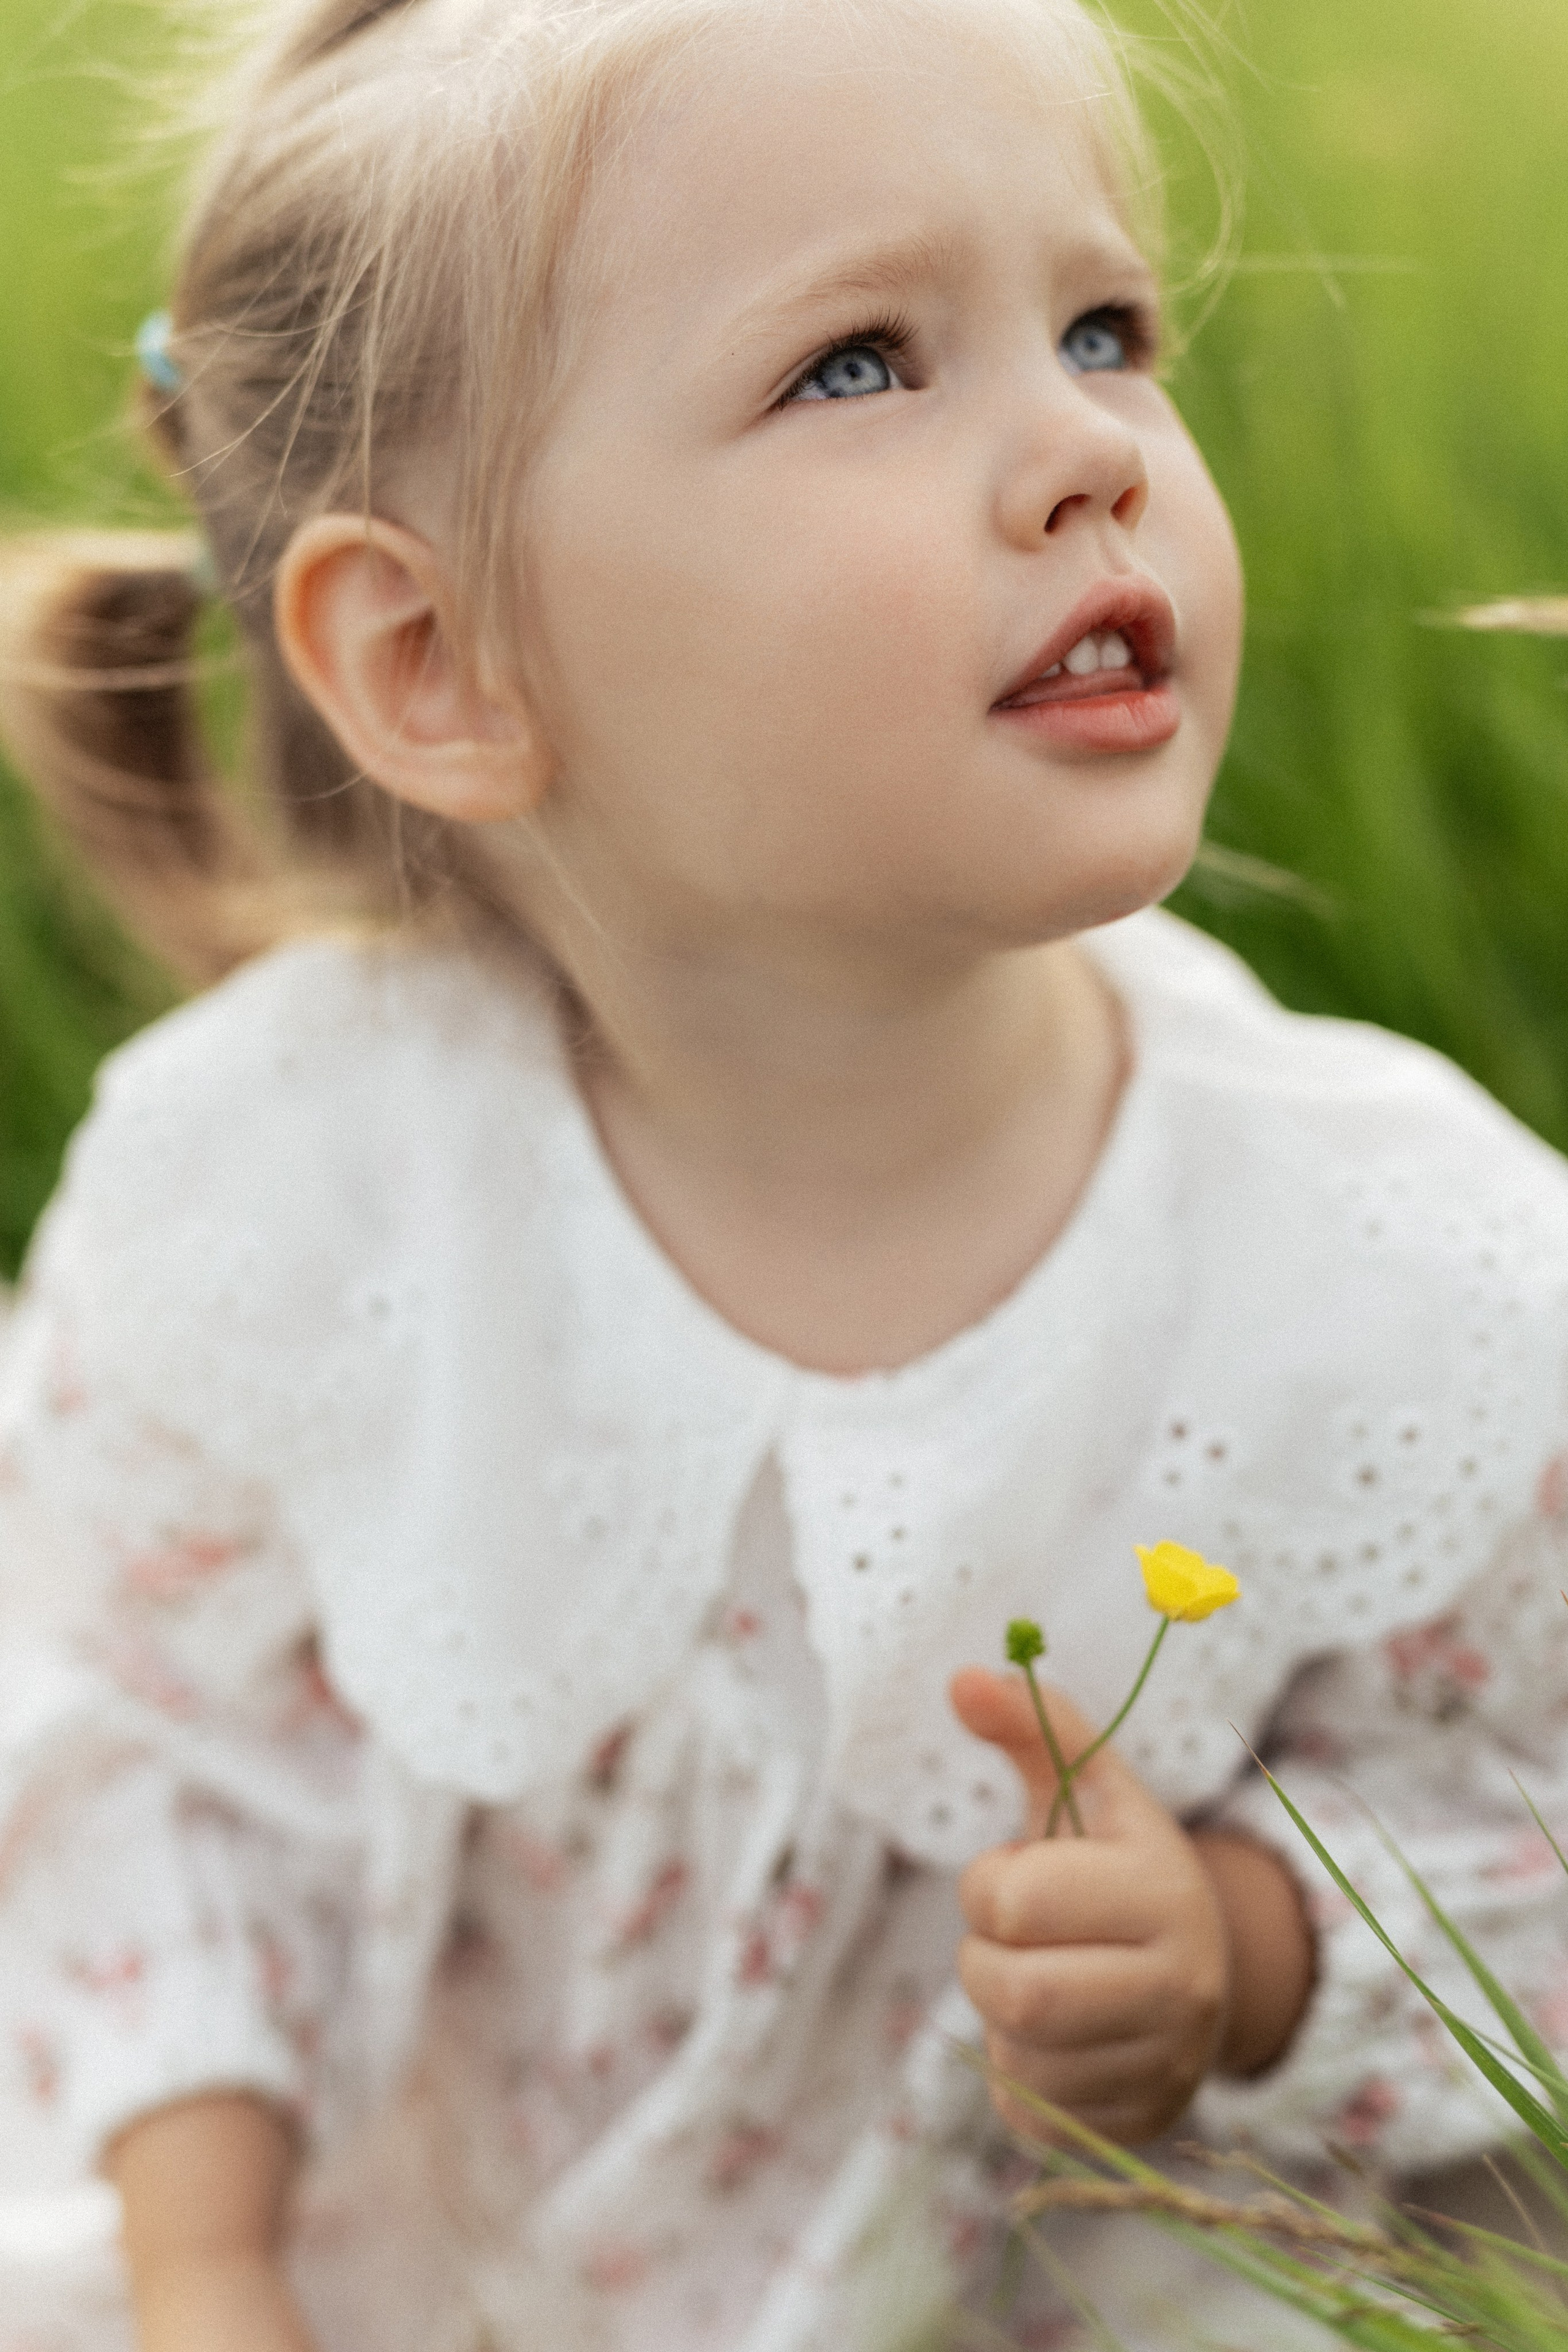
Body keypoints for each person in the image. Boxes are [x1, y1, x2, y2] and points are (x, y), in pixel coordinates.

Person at [1, 1, 1567, 2346]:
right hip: (425, 2258)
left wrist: (1241, 1953)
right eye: (858, 364)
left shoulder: (1397, 1271)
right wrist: (213, 2285)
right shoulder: (289, 1190)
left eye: (1105, 326)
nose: (1082, 453)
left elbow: (1532, 1813)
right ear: (435, 658)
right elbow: (156, 1764)